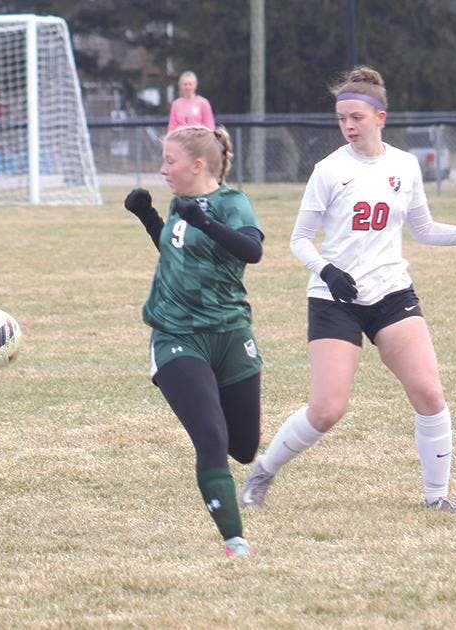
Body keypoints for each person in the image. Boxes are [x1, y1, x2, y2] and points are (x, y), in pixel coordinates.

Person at [240, 67, 456, 515]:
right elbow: (299, 240)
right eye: (341, 119)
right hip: (336, 299)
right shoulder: (329, 171)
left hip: (391, 294)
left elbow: (424, 230)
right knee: (327, 410)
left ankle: (437, 498)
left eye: (356, 117)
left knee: (429, 393)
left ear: (380, 117)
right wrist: (327, 270)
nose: (349, 126)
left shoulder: (404, 165)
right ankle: (263, 471)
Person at [123, 125, 264, 557]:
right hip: (176, 335)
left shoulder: (233, 203)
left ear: (198, 165)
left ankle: (217, 427)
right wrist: (150, 218)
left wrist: (204, 219)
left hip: (230, 334)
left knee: (243, 447)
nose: (162, 169)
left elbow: (251, 250)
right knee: (211, 439)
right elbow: (177, 252)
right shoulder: (179, 204)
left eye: (170, 161)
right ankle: (234, 543)